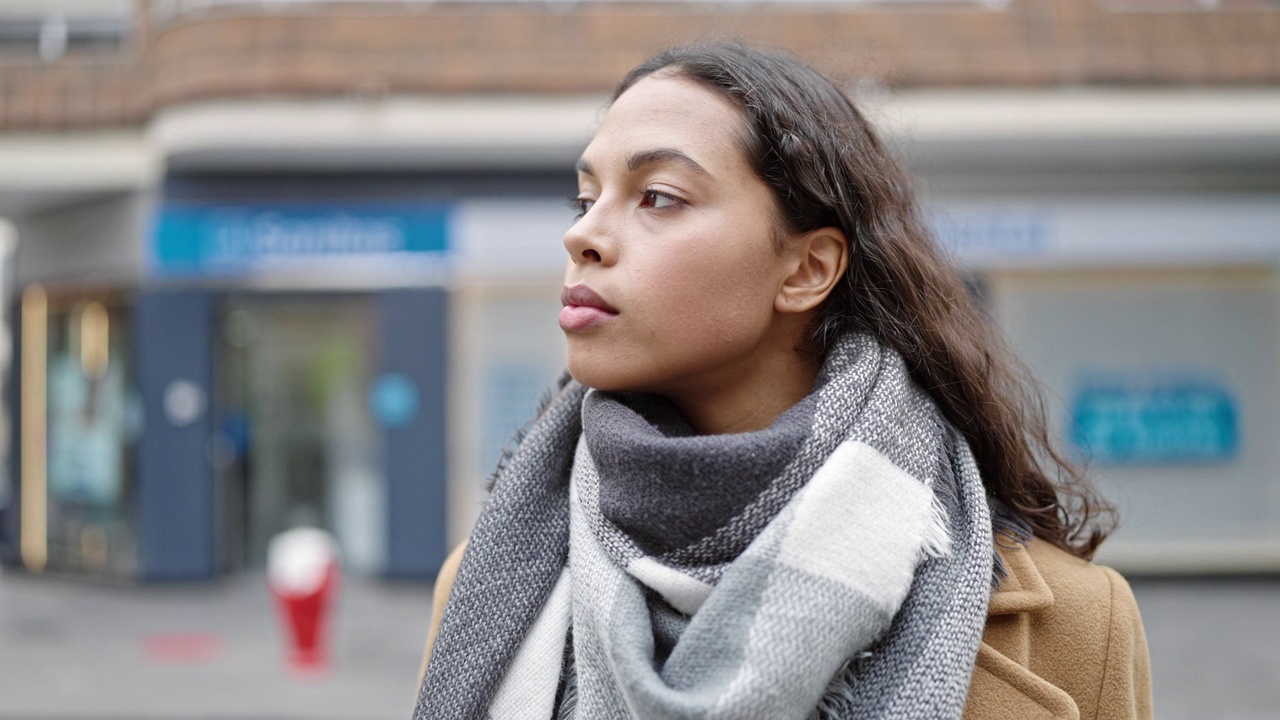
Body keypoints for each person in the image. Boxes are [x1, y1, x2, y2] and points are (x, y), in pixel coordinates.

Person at [414, 42, 1152, 720]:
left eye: (659, 197)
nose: (582, 235)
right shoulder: (489, 587)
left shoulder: (1083, 628)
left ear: (807, 270)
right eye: (585, 199)